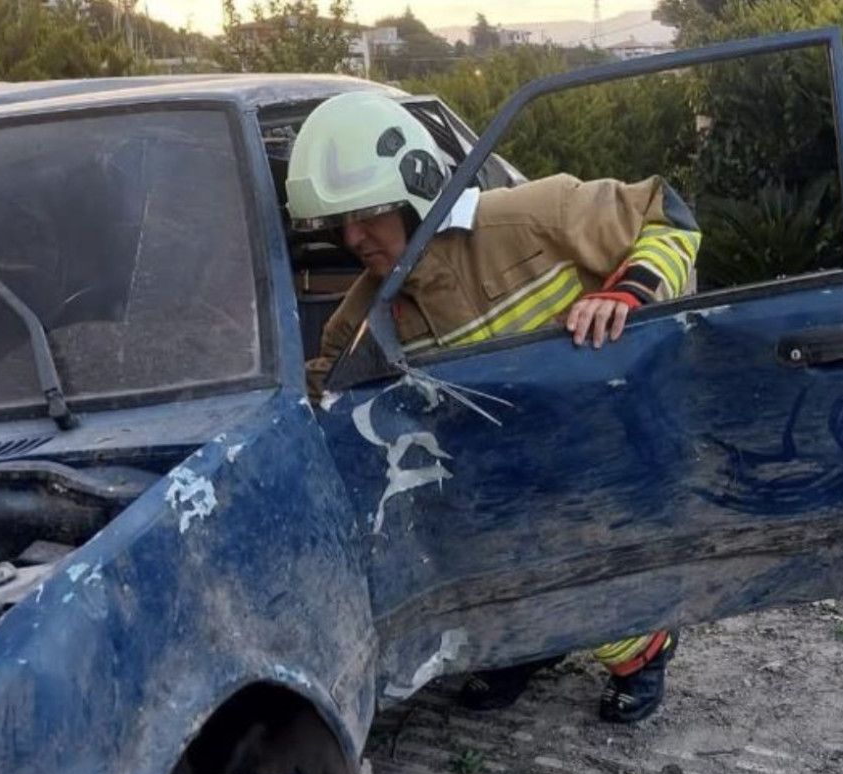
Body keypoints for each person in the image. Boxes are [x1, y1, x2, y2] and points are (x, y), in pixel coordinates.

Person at [286, 90, 701, 723]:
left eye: (366, 213)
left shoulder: (532, 216)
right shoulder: (364, 315)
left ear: (415, 186)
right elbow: (324, 388)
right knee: (479, 560)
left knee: (583, 561)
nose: (352, 237)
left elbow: (666, 215)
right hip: (490, 472)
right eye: (338, 223)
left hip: (592, 442)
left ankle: (643, 651)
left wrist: (629, 292)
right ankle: (527, 647)